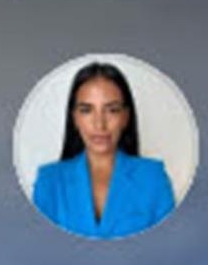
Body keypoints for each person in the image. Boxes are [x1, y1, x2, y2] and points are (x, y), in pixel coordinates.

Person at [32, 63, 176, 241]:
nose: (99, 124)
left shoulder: (153, 177)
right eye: (86, 110)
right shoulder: (49, 180)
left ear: (125, 117)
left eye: (112, 110)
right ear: (74, 118)